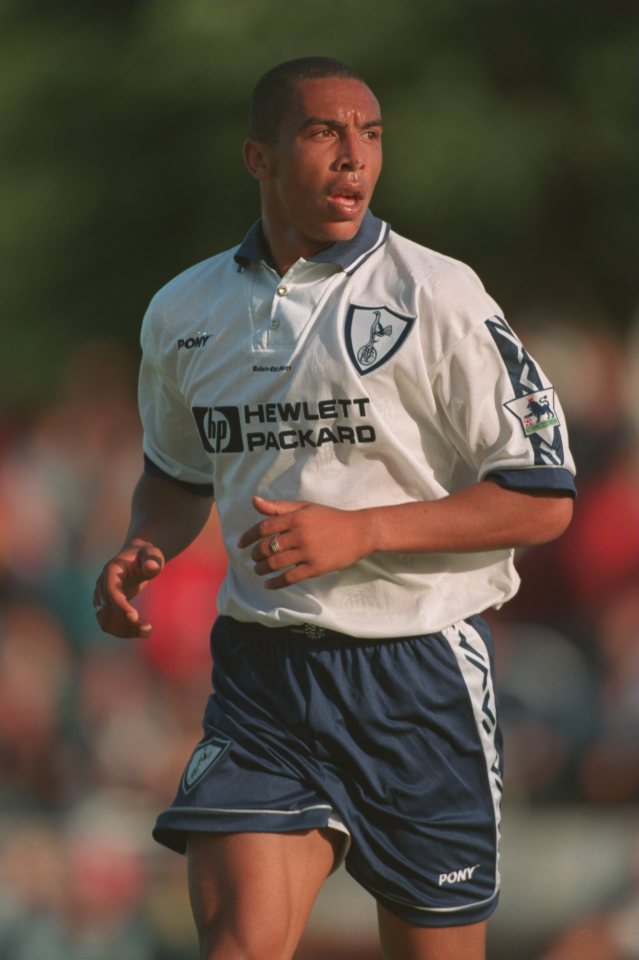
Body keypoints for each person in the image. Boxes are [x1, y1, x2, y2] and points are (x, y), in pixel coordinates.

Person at [93, 57, 576, 960]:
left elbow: (541, 497)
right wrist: (142, 545)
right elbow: (176, 474)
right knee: (239, 945)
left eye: (371, 135)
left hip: (417, 677)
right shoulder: (183, 310)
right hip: (262, 678)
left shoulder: (436, 292)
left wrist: (362, 532)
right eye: (323, 133)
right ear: (259, 157)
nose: (354, 156)